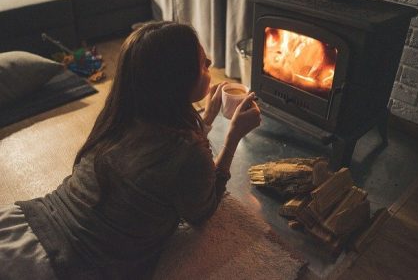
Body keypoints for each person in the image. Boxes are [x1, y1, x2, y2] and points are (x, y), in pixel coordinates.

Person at [0, 21, 261, 279]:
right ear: (177, 80)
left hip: (29, 222)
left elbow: (162, 156)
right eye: (203, 62)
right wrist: (233, 137)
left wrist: (206, 119)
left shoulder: (119, 115)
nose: (211, 63)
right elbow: (203, 211)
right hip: (64, 264)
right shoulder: (188, 153)